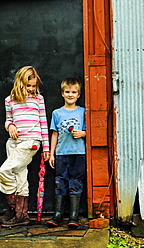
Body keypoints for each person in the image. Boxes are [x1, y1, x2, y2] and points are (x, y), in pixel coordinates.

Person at [0, 66, 50, 227]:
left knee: (4, 171)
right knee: (20, 177)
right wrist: (10, 126)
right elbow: (8, 119)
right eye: (28, 86)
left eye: (34, 86)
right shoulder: (10, 100)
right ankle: (22, 215)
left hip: (30, 142)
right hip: (13, 142)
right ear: (20, 83)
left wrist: (46, 148)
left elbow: (43, 123)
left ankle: (14, 208)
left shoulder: (38, 99)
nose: (31, 89)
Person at [46, 78, 86, 228]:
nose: (70, 95)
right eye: (67, 92)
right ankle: (58, 215)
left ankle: (74, 216)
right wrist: (51, 154)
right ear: (62, 93)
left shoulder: (83, 111)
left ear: (78, 94)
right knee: (60, 181)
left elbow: (90, 131)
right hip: (62, 153)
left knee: (75, 182)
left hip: (78, 153)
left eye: (73, 92)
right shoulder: (57, 113)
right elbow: (55, 134)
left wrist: (83, 134)